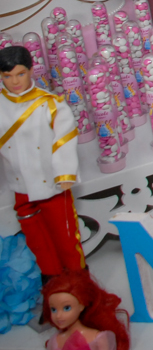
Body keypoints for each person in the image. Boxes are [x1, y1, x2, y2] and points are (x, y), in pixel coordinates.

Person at [0, 46, 85, 282]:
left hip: (52, 184)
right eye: (7, 76)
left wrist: (65, 172)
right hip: (21, 186)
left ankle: (80, 287)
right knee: (37, 240)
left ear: (30, 71)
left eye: (20, 74)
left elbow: (64, 138)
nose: (14, 81)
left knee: (65, 237)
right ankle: (53, 285)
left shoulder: (50, 104)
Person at [41, 270, 130, 350]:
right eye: (53, 309)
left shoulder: (98, 339)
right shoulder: (55, 341)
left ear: (81, 306)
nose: (58, 315)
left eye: (66, 308)